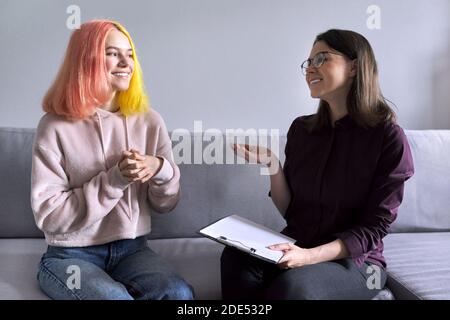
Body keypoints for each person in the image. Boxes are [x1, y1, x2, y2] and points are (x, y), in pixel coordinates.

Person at [221, 29, 414, 300]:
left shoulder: (388, 138)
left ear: (354, 67)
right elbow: (292, 212)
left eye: (321, 58)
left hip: (355, 263)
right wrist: (272, 164)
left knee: (294, 287)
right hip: (299, 244)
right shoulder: (302, 130)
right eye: (308, 62)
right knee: (236, 257)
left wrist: (309, 257)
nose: (310, 68)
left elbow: (374, 228)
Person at [31, 20, 193, 300]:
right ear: (86, 59)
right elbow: (49, 214)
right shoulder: (54, 126)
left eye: (130, 54)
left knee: (177, 293)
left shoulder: (150, 121)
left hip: (132, 249)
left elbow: (166, 204)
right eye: (112, 53)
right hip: (70, 255)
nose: (126, 62)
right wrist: (115, 179)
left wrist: (160, 170)